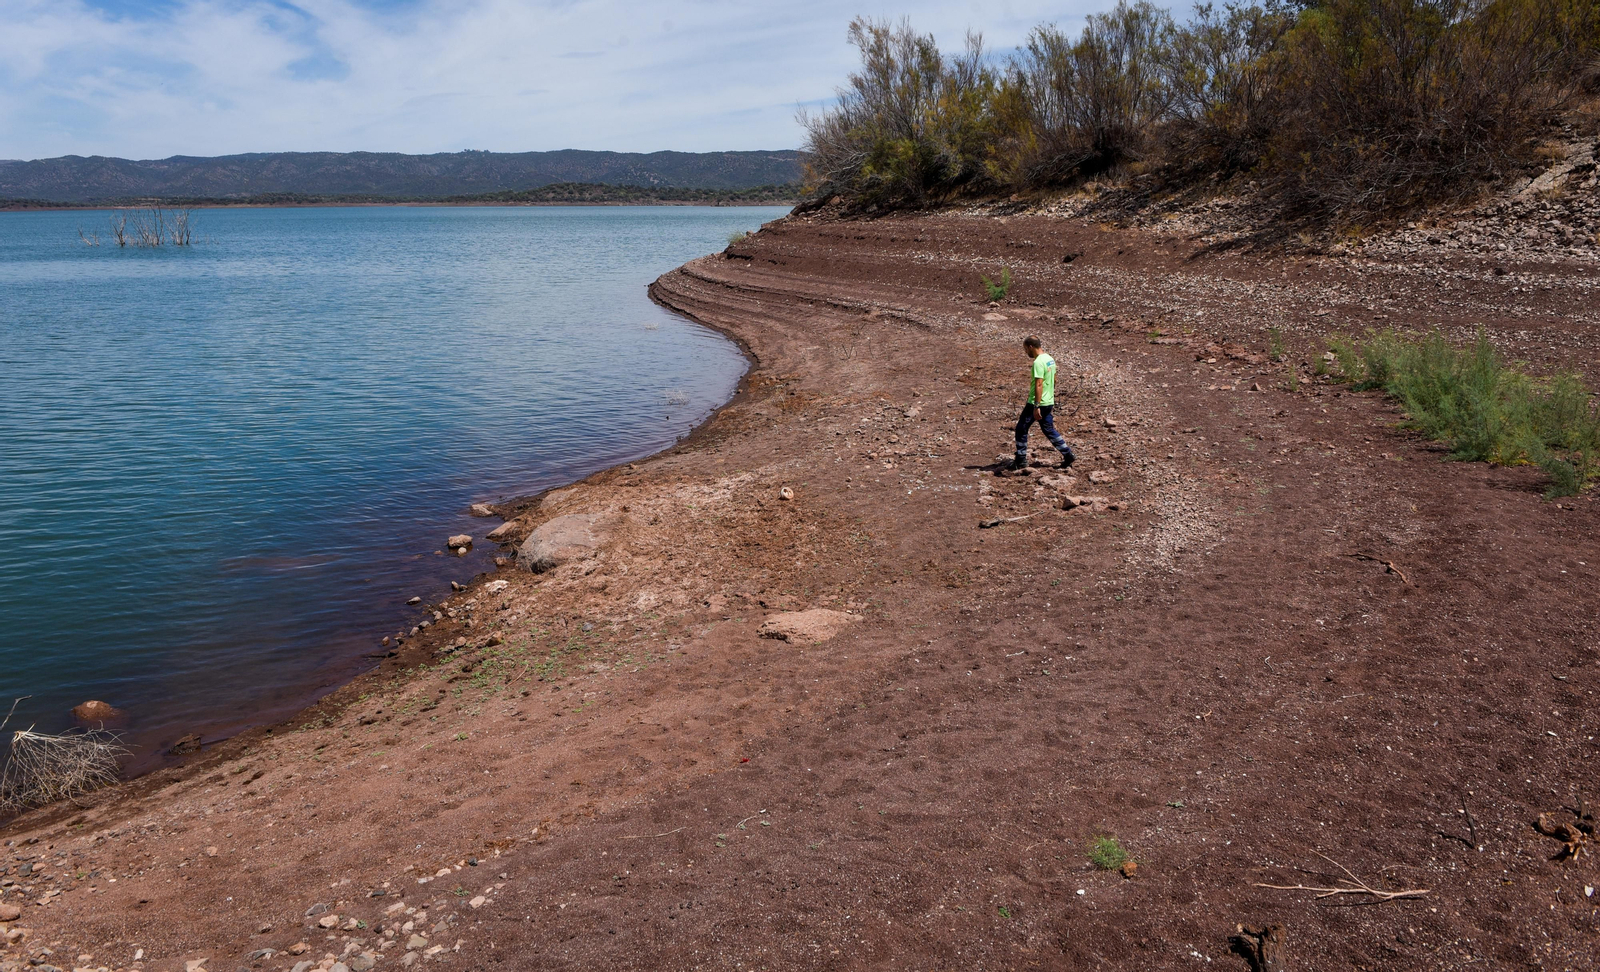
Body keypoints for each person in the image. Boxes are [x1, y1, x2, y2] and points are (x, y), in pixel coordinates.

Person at [1011, 336, 1075, 471]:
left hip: (1038, 402)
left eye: (1025, 349)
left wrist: (1036, 405)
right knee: (1048, 429)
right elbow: (1055, 379)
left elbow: (1039, 384)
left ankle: (1021, 459)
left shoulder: (1038, 362)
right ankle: (1068, 454)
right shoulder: (1049, 359)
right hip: (1048, 401)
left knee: (1021, 428)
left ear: (1030, 347)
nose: (1025, 352)